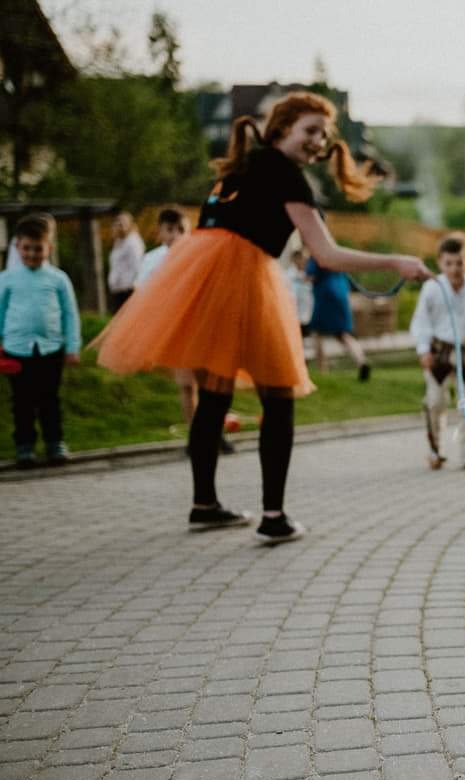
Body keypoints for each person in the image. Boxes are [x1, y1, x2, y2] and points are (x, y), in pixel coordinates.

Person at [94, 91, 432, 542]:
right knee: (278, 396)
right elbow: (325, 254)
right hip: (242, 279)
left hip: (204, 276)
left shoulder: (244, 164)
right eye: (310, 130)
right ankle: (274, 518)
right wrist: (396, 262)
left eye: (324, 134)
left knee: (213, 396)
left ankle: (204, 504)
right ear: (281, 129)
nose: (319, 141)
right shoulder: (285, 174)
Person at [135, 206, 236, 455]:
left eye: (181, 229)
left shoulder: (199, 255)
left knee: (211, 384)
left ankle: (214, 432)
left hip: (201, 326)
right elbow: (143, 293)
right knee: (186, 384)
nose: (176, 235)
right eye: (170, 230)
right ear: (160, 233)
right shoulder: (152, 260)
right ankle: (195, 435)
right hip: (175, 329)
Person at [410, 232, 465, 471]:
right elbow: (421, 321)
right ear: (440, 262)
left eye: (460, 262)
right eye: (449, 263)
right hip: (439, 350)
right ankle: (435, 451)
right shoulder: (432, 288)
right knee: (435, 402)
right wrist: (423, 350)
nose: (454, 268)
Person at [0, 214, 82, 469]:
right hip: (17, 349)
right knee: (22, 401)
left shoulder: (58, 279)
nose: (32, 254)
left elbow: (70, 314)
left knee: (49, 399)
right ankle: (24, 447)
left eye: (38, 248)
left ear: (49, 248)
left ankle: (54, 443)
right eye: (27, 248)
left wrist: (72, 347)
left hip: (50, 349)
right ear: (17, 248)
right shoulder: (7, 279)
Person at [306, 254, 371, 380]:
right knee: (343, 334)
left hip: (325, 295)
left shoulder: (316, 253)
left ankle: (322, 371)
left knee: (317, 332)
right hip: (342, 294)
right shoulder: (337, 254)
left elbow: (310, 276)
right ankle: (361, 361)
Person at [107, 211, 145, 312]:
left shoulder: (133, 242)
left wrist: (135, 284)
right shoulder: (118, 242)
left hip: (128, 289)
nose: (120, 226)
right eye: (118, 223)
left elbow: (137, 265)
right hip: (118, 289)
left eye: (123, 223)